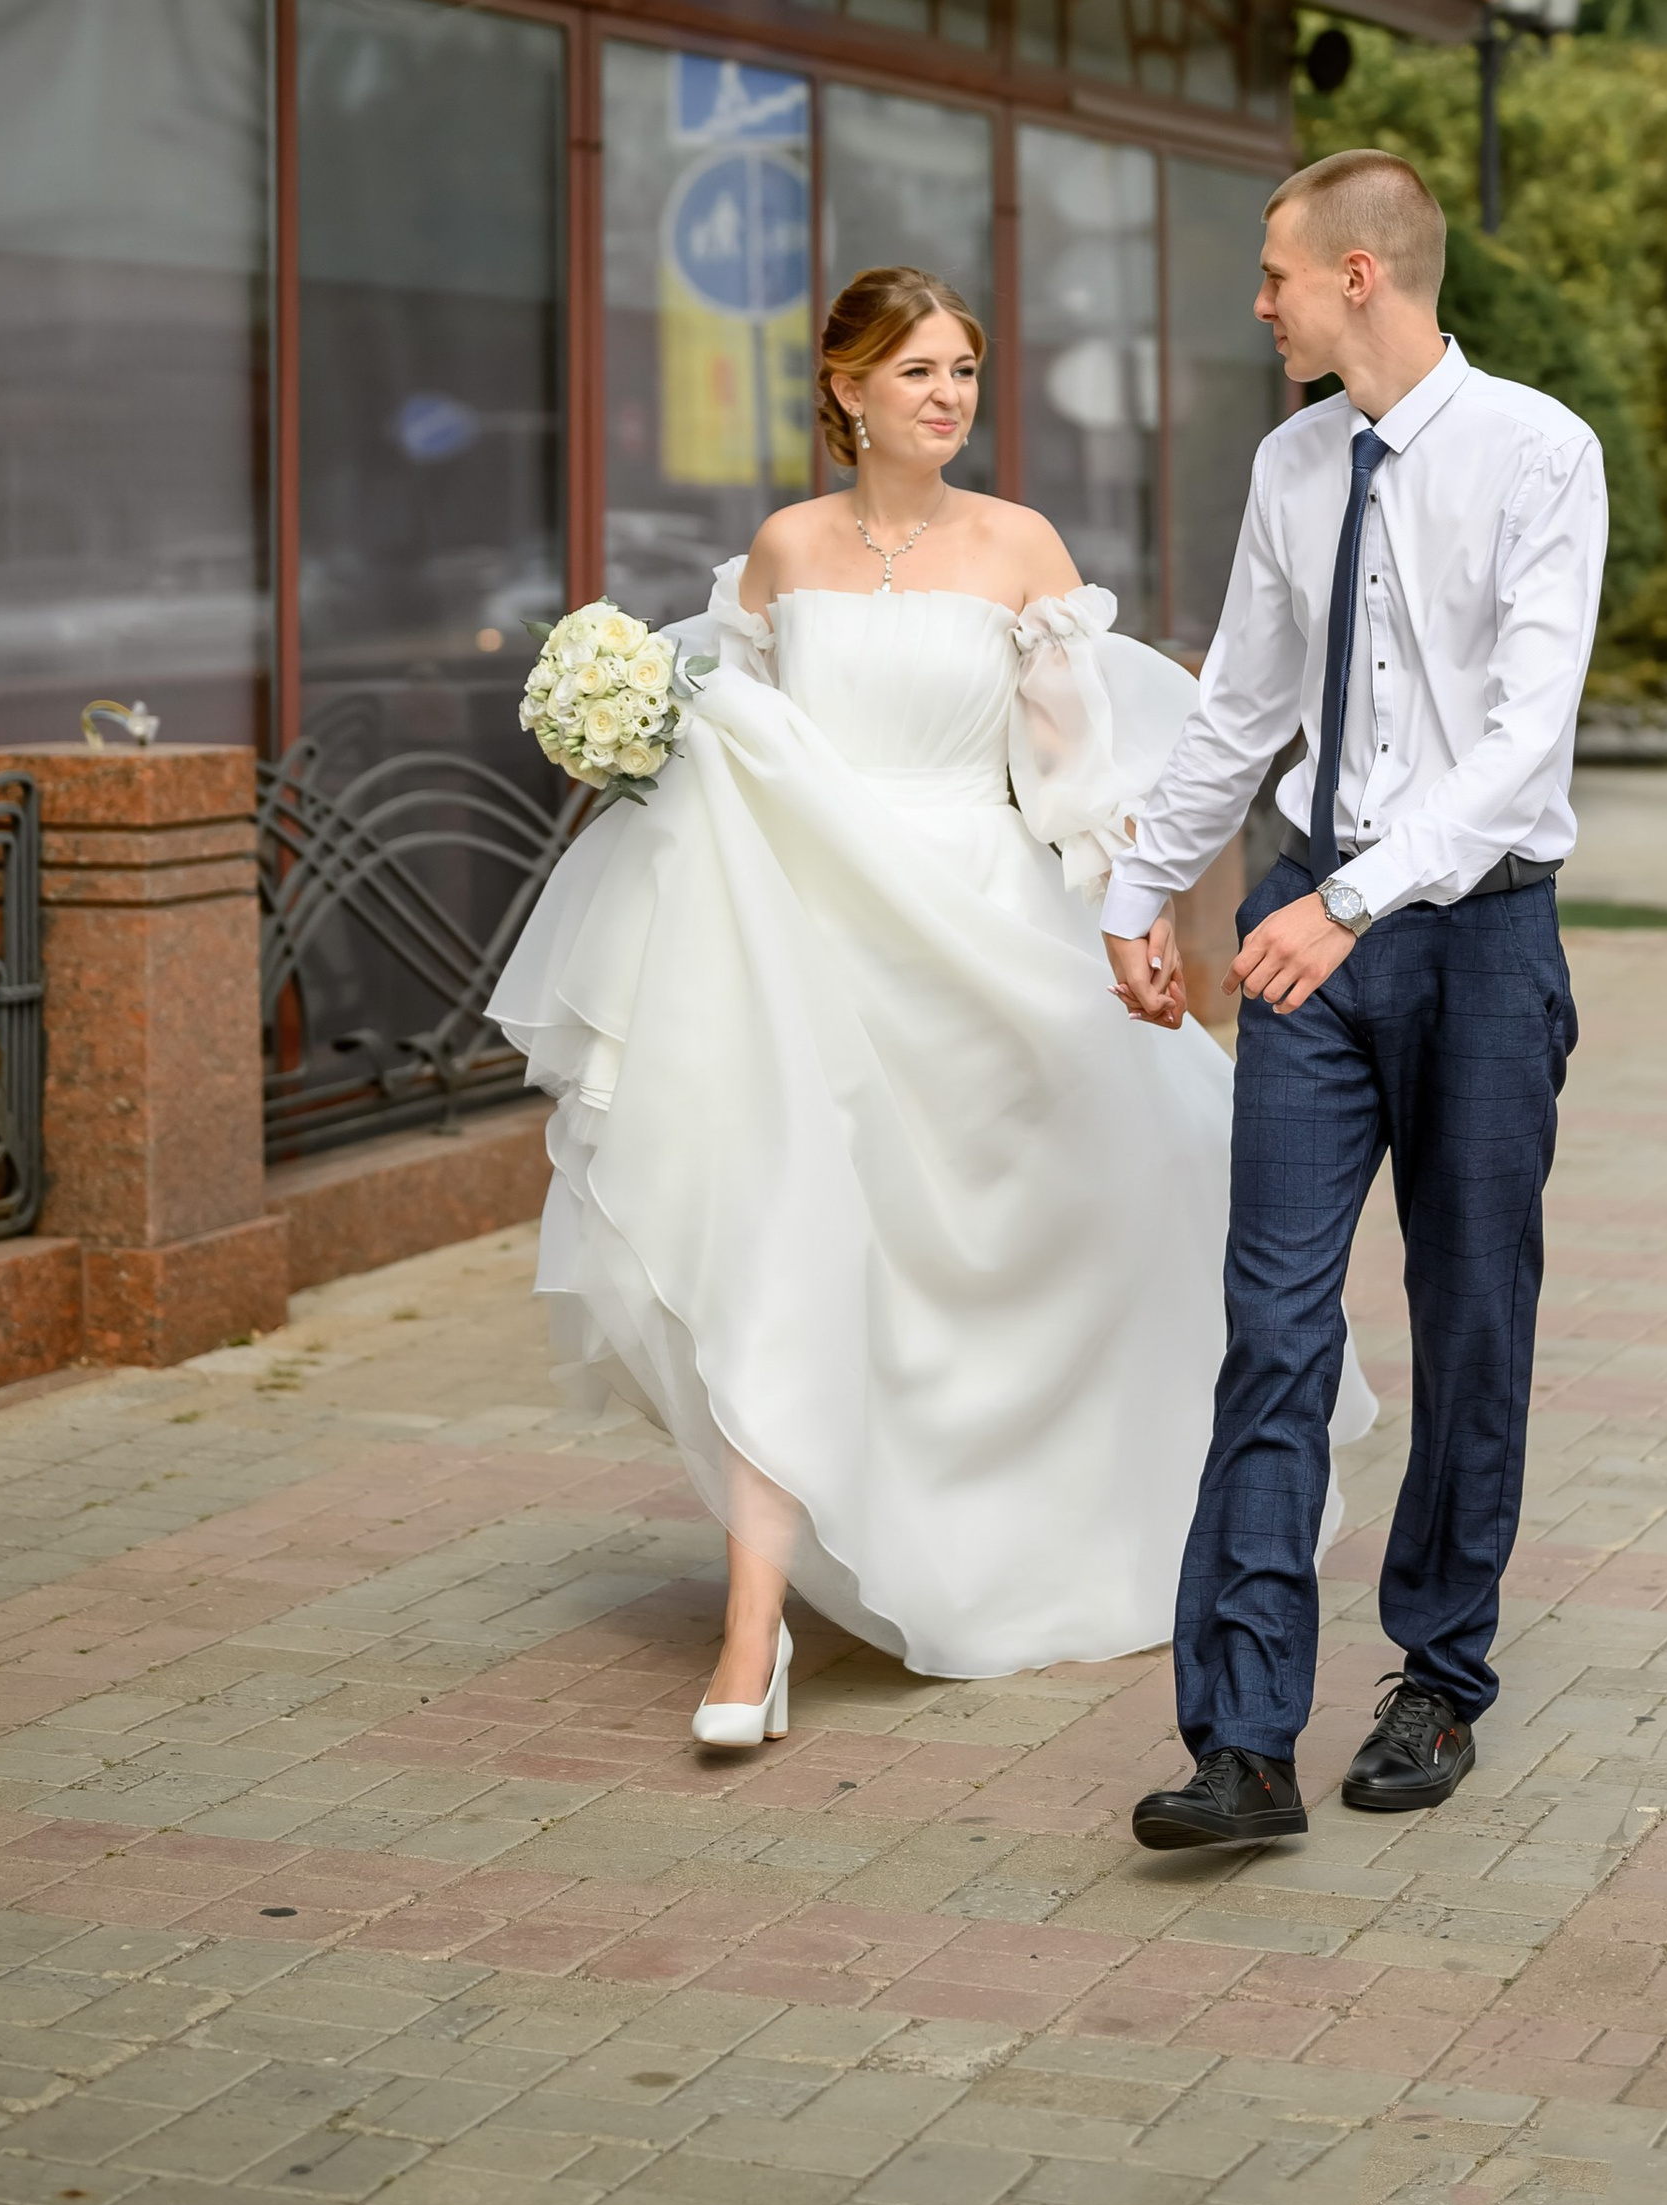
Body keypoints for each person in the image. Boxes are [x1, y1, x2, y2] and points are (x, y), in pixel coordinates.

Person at [493, 264, 1374, 1747]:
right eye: (918, 373)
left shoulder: (1021, 546)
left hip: (974, 927)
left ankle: (1034, 1518)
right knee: (777, 1243)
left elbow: (1075, 770)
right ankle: (752, 1631)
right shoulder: (778, 553)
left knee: (1041, 1227)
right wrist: (636, 730)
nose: (949, 397)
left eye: (964, 370)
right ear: (845, 390)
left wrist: (1131, 912)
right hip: (799, 940)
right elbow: (729, 745)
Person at [1104, 152, 1605, 1849]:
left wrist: (1355, 900)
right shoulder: (1290, 464)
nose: (1261, 305)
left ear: (1364, 278)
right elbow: (1240, 705)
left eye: (1276, 276)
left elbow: (1525, 740)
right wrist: (1134, 891)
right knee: (1276, 1330)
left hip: (1475, 938)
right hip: (1307, 932)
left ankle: (1439, 1677)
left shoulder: (1542, 452)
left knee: (1471, 1323)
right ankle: (1243, 1739)